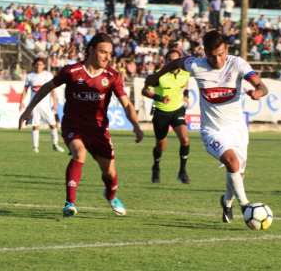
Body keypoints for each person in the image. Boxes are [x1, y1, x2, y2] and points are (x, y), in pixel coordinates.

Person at [145, 30, 269, 223]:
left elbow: (261, 85)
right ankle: (245, 205)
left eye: (221, 54)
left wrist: (258, 92)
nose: (217, 60)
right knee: (232, 163)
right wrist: (157, 75)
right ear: (205, 53)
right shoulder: (196, 64)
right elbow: (175, 62)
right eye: (212, 56)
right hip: (212, 130)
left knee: (237, 174)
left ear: (226, 49)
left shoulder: (237, 64)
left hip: (238, 129)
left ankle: (227, 202)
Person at [19, 33, 144, 218]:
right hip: (73, 124)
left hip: (99, 128)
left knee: (109, 173)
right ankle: (70, 203)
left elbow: (126, 103)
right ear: (91, 50)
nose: (107, 57)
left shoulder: (112, 76)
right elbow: (46, 87)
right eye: (103, 52)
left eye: (109, 53)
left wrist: (136, 124)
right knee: (79, 153)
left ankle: (110, 195)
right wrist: (28, 109)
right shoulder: (71, 71)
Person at [142, 49, 191, 184]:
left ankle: (182, 172)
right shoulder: (159, 76)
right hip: (161, 113)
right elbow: (144, 90)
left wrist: (186, 95)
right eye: (170, 60)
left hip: (177, 110)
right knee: (160, 146)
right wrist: (159, 97)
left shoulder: (185, 73)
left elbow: (185, 81)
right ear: (166, 61)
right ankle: (156, 167)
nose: (173, 62)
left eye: (175, 59)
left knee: (185, 139)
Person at [19, 58, 65, 154]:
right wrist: (21, 102)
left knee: (52, 124)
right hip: (35, 106)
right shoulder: (29, 76)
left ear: (44, 65)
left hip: (46, 105)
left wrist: (55, 103)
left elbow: (52, 89)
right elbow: (25, 90)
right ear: (34, 65)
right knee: (35, 126)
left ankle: (55, 144)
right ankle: (35, 147)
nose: (38, 66)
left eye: (40, 64)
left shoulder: (48, 75)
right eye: (36, 64)